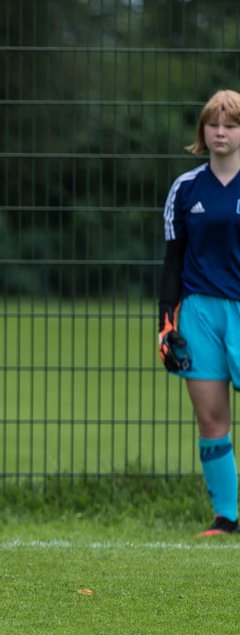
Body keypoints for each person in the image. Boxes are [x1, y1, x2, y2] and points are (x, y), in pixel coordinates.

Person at [159, 89, 240, 537]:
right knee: (211, 418)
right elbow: (173, 261)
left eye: (230, 124)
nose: (221, 132)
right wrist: (165, 324)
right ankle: (225, 519)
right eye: (214, 124)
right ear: (202, 132)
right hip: (200, 315)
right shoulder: (185, 188)